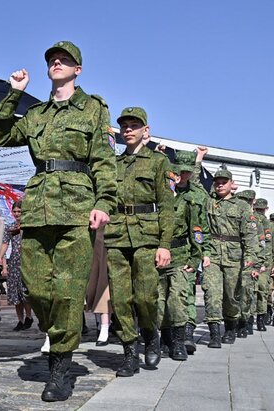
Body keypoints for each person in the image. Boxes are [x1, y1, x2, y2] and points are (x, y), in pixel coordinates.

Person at [0, 40, 116, 401]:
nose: (57, 63)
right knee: (37, 288)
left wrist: (104, 201)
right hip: (39, 207)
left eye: (65, 60)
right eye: (53, 60)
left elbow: (103, 159)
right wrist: (14, 94)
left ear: (78, 70)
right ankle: (58, 333)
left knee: (68, 290)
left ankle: (59, 368)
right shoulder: (36, 114)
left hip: (76, 208)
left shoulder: (93, 109)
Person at [104, 107, 174, 376]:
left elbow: (166, 206)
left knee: (145, 296)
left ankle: (150, 334)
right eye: (125, 126)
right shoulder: (113, 164)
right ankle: (130, 352)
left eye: (134, 125)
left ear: (146, 131)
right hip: (117, 236)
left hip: (146, 236)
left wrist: (164, 244)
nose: (128, 130)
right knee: (120, 298)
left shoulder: (158, 162)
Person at [201, 169, 258, 348]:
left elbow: (250, 235)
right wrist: (199, 159)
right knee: (212, 292)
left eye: (223, 182)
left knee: (232, 296)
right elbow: (194, 182)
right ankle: (214, 334)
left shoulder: (242, 206)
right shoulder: (208, 201)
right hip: (212, 254)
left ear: (231, 184)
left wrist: (250, 257)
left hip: (234, 257)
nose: (220, 185)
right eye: (217, 182)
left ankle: (230, 328)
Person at [157, 163, 206, 361]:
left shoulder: (187, 202)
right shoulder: (155, 201)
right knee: (159, 301)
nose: (169, 182)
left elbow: (196, 232)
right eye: (166, 178)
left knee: (177, 299)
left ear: (178, 179)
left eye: (172, 178)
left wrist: (195, 259)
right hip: (157, 258)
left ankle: (178, 342)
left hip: (179, 256)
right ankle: (165, 339)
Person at [173, 149, 209, 354]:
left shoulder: (198, 195)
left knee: (186, 292)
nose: (183, 175)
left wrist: (200, 255)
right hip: (160, 250)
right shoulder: (163, 188)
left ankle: (187, 333)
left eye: (187, 171)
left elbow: (201, 228)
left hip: (185, 250)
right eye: (180, 171)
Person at [0, 202, 32, 331]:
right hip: (14, 262)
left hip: (27, 262)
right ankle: (20, 320)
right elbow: (5, 243)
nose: (17, 214)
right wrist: (1, 258)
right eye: (15, 211)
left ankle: (28, 317)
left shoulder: (29, 226)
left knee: (25, 292)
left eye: (19, 211)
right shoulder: (10, 226)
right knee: (15, 293)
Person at [234, 190, 264, 336]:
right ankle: (234, 322)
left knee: (247, 292)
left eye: (247, 201)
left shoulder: (256, 221)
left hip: (249, 262)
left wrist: (257, 265)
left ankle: (245, 322)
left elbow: (261, 245)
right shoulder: (235, 216)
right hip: (233, 259)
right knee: (234, 293)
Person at [252, 198, 274, 329]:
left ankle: (255, 320)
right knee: (259, 291)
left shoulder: (270, 226)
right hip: (257, 261)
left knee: (257, 291)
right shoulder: (250, 221)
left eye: (260, 209)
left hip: (260, 262)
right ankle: (255, 320)